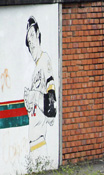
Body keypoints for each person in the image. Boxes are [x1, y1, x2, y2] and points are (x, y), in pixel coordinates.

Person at [24, 16, 57, 152]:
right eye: (28, 38)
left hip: (40, 144)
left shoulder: (45, 60)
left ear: (38, 35)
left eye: (32, 35)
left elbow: (52, 108)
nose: (30, 41)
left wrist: (35, 96)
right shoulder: (34, 70)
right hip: (34, 145)